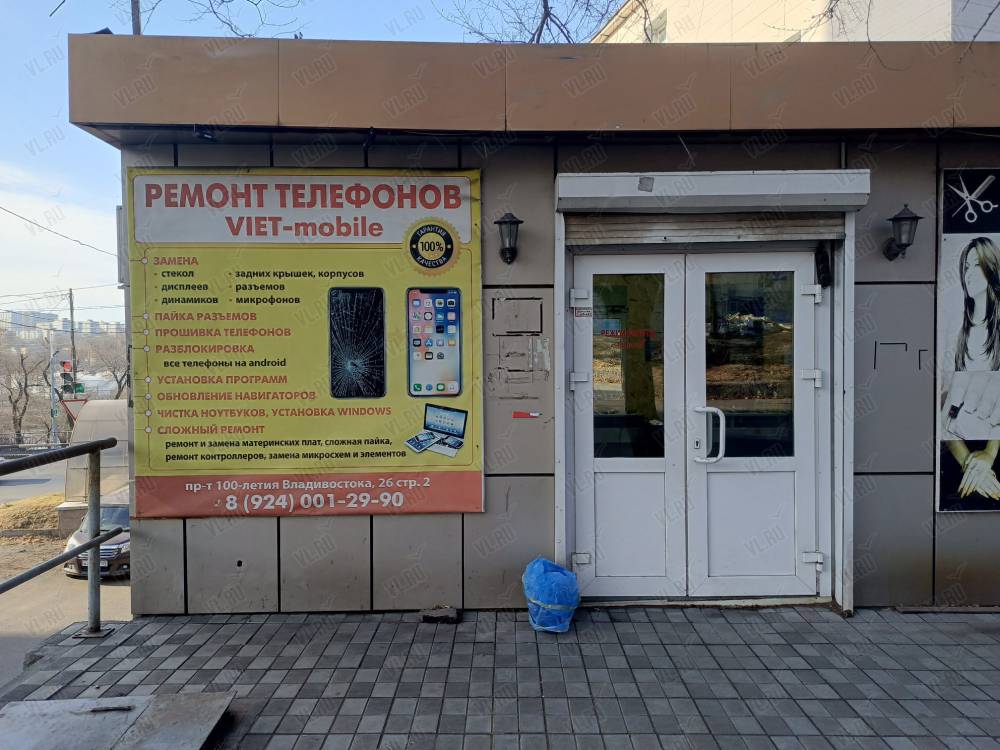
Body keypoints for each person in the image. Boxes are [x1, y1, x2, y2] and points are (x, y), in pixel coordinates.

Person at [943, 237, 1000, 500]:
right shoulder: (956, 333)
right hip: (956, 448)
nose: (969, 274)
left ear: (991, 269)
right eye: (966, 266)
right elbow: (945, 405)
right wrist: (969, 461)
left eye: (977, 265)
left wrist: (989, 454)